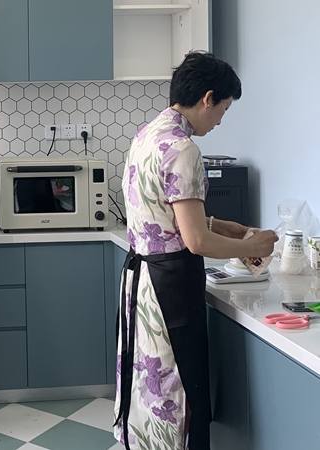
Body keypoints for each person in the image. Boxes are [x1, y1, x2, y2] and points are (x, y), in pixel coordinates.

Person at [114, 52, 278, 450]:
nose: (220, 120)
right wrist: (251, 245)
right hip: (170, 288)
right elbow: (196, 243)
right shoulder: (183, 149)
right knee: (179, 390)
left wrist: (220, 224)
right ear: (207, 98)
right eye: (223, 109)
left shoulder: (146, 135)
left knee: (149, 385)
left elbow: (162, 215)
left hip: (142, 282)